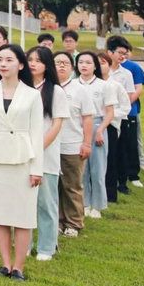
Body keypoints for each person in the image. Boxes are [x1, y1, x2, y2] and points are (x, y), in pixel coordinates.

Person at [0, 44, 44, 281]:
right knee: (0, 214)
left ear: (21, 65)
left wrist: (37, 169)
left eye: (9, 60)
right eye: (0, 60)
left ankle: (18, 267)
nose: (3, 64)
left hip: (23, 161)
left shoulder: (32, 95)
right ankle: (5, 263)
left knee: (23, 216)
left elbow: (37, 133)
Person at [26, 46, 68, 262]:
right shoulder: (21, 87)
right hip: (21, 153)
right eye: (30, 59)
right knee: (23, 202)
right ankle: (24, 244)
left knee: (46, 202)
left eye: (38, 60)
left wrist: (37, 148)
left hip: (45, 154)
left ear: (47, 65)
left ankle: (47, 246)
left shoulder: (56, 91)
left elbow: (56, 124)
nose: (33, 64)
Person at [54, 51, 93, 237]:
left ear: (72, 67)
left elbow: (87, 118)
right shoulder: (47, 87)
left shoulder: (80, 89)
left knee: (72, 186)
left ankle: (74, 223)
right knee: (54, 187)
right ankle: (57, 221)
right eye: (57, 62)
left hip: (72, 145)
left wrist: (87, 143)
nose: (61, 66)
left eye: (65, 63)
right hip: (50, 146)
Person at [76, 51, 115, 218]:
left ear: (95, 66)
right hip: (78, 128)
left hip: (98, 126)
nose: (84, 66)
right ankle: (84, 203)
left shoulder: (104, 85)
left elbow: (110, 112)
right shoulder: (73, 84)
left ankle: (97, 205)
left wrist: (100, 130)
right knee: (82, 170)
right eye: (81, 62)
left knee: (98, 169)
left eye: (88, 62)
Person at [105, 36, 141, 194]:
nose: (122, 56)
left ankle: (122, 182)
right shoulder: (102, 71)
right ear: (110, 52)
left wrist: (115, 113)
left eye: (125, 53)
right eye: (120, 52)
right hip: (103, 118)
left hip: (121, 117)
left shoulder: (126, 74)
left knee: (123, 150)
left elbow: (129, 96)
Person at [97, 52, 128, 204]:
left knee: (110, 160)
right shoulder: (88, 85)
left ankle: (110, 195)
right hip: (91, 125)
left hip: (110, 126)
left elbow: (125, 107)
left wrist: (109, 116)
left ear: (109, 66)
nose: (99, 65)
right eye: (96, 62)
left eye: (103, 62)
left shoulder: (116, 86)